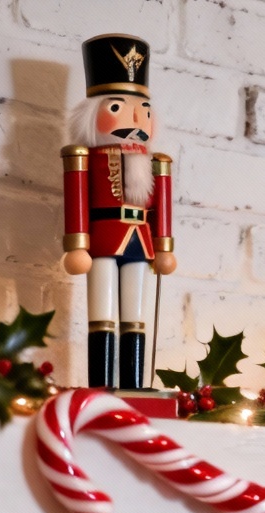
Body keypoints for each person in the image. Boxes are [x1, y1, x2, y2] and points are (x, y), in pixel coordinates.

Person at [61, 34, 175, 389]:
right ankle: (100, 384)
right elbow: (77, 198)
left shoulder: (154, 162)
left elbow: (162, 207)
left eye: (144, 110)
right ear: (93, 115)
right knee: (102, 315)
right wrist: (77, 244)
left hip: (140, 242)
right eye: (116, 108)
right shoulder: (84, 157)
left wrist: (165, 247)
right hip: (103, 239)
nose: (135, 118)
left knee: (135, 318)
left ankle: (134, 385)